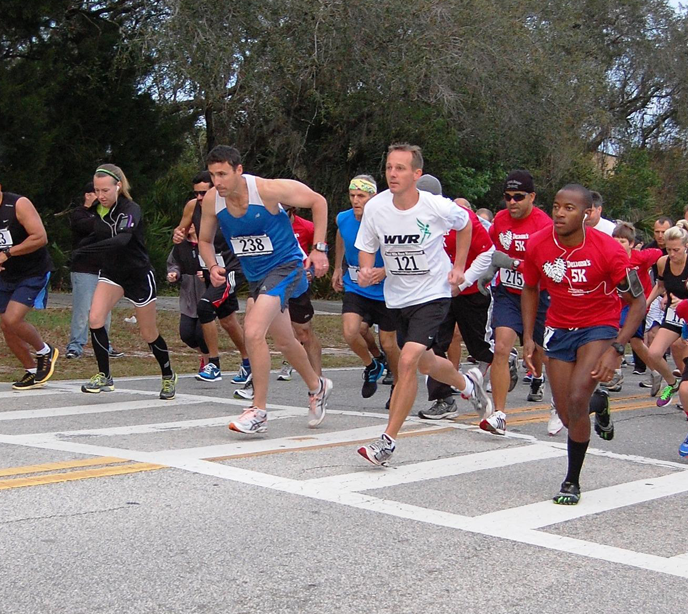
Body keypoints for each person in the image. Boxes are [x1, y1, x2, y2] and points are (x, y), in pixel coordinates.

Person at [355, 143, 491, 466]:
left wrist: (459, 267)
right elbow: (366, 245)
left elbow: (466, 224)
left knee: (408, 361)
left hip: (433, 294)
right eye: (389, 167)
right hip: (398, 296)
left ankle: (386, 442)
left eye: (400, 168)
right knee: (428, 363)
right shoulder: (376, 208)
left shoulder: (435, 206)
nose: (392, 174)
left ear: (417, 174)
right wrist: (365, 270)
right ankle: (466, 383)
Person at [522, 184, 645, 505]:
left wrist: (617, 348)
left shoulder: (608, 249)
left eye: (570, 208)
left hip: (598, 327)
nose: (560, 213)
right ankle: (599, 403)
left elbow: (638, 302)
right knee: (566, 414)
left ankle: (571, 480)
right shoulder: (538, 244)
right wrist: (529, 337)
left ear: (587, 214)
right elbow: (530, 288)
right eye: (557, 206)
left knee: (577, 398)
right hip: (558, 328)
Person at [199, 145, 332, 434]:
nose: (217, 181)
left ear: (238, 170)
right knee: (285, 341)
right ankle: (317, 385)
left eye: (222, 174)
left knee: (253, 331)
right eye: (212, 175)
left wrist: (319, 249)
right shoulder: (212, 201)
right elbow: (204, 241)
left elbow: (318, 202)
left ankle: (258, 411)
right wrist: (212, 267)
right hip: (257, 276)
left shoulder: (267, 190)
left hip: (288, 266)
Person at [73, 164, 177, 399]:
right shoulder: (98, 211)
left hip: (138, 275)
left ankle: (168, 375)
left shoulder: (131, 209)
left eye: (105, 190)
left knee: (148, 332)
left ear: (118, 186)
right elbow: (97, 235)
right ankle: (104, 376)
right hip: (112, 273)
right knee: (95, 318)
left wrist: (87, 251)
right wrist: (79, 250)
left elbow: (121, 240)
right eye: (97, 190)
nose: (100, 196)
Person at [480, 169, 557, 435]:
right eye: (507, 197)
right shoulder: (500, 220)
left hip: (540, 295)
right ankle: (499, 414)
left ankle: (557, 403)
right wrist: (488, 271)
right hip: (509, 294)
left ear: (532, 197)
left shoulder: (544, 225)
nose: (512, 202)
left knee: (543, 354)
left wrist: (513, 263)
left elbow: (548, 266)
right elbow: (492, 251)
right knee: (501, 347)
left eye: (518, 197)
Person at [413, 175, 495, 420]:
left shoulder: (459, 215)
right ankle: (443, 399)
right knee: (434, 344)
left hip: (471, 290)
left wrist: (465, 280)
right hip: (438, 293)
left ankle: (496, 364)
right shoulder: (409, 217)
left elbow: (487, 253)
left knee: (478, 346)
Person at [172, 171, 250, 384]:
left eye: (203, 193)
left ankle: (213, 363)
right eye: (196, 193)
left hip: (231, 267)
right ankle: (248, 362)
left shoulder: (230, 204)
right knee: (227, 319)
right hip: (210, 267)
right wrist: (178, 234)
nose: (199, 198)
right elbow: (182, 230)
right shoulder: (193, 206)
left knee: (205, 306)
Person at [332, 174, 400, 403]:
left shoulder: (387, 220)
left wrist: (385, 270)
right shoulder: (343, 218)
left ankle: (398, 386)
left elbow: (401, 249)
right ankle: (373, 364)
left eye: (361, 195)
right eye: (352, 195)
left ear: (373, 197)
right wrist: (337, 268)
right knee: (352, 331)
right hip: (356, 286)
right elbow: (340, 236)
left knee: (390, 343)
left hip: (385, 290)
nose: (356, 200)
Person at [0, 182, 59, 389]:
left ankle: (45, 351)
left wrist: (7, 254)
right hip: (7, 275)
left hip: (33, 271)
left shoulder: (18, 204)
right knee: (6, 326)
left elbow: (40, 237)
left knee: (12, 318)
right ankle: (31, 371)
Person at [602, 222, 662, 393]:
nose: (617, 245)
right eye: (615, 241)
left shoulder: (639, 257)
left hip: (636, 304)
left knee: (619, 332)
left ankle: (616, 373)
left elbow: (657, 253)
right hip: (617, 303)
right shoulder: (609, 258)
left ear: (631, 244)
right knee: (636, 343)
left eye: (622, 242)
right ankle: (656, 371)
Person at [66, 182, 122, 359]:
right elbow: (91, 227)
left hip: (106, 269)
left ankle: (104, 344)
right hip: (84, 268)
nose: (100, 197)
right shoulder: (80, 214)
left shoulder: (110, 214)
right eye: (95, 192)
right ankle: (76, 345)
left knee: (105, 309)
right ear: (87, 195)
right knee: (83, 309)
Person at [645, 226, 688, 407]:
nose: (672, 254)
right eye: (669, 249)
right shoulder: (663, 262)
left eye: (676, 250)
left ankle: (686, 389)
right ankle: (672, 383)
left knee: (680, 347)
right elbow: (660, 286)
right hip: (672, 313)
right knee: (653, 353)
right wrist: (645, 304)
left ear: (686, 246)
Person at [166, 235, 210, 370]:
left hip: (206, 294)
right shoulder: (180, 245)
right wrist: (174, 274)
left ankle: (209, 363)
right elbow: (173, 264)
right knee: (186, 334)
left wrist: (207, 274)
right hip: (188, 295)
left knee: (201, 334)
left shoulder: (208, 242)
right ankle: (205, 355)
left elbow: (219, 263)